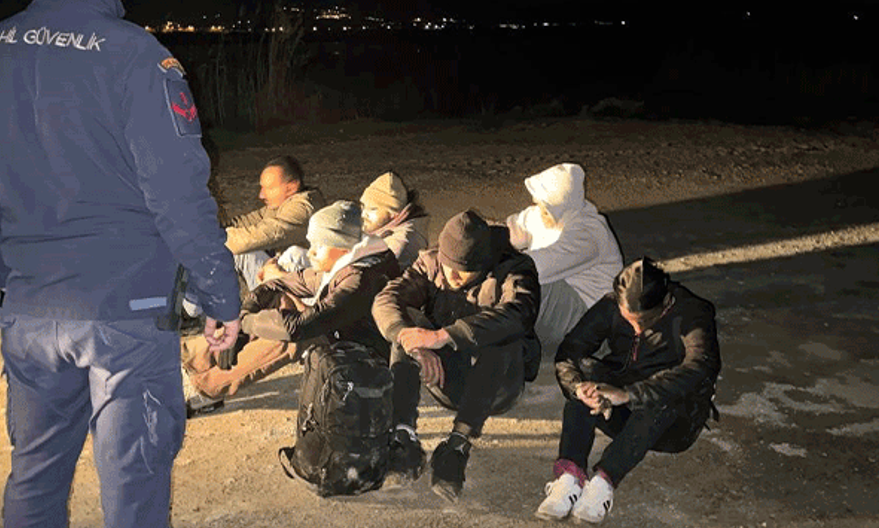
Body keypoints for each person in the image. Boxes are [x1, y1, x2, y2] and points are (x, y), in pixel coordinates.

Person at [0, 0, 241, 528]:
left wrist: (4, 283)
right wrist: (220, 292)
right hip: (124, 314)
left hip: (30, 311)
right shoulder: (137, 57)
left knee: (35, 476)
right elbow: (177, 194)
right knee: (133, 489)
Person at [534, 257, 721, 524]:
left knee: (670, 392)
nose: (636, 329)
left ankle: (603, 483)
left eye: (644, 321)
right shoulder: (611, 305)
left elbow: (701, 367)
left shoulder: (692, 312)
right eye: (628, 320)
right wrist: (578, 389)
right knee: (586, 375)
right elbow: (570, 351)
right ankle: (570, 478)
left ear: (666, 302)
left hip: (671, 425)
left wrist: (629, 394)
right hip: (619, 414)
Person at [372, 209, 540, 501]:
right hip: (444, 376)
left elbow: (519, 313)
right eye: (448, 266)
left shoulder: (515, 269)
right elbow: (387, 299)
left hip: (497, 386)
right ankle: (404, 436)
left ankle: (458, 444)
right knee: (406, 328)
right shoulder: (431, 263)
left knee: (502, 335)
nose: (452, 276)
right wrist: (415, 344)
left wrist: (443, 336)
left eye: (463, 271)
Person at [182, 200, 399, 410]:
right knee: (279, 297)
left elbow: (299, 327)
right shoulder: (349, 262)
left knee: (292, 337)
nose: (311, 252)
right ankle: (189, 354)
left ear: (343, 248)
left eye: (320, 245)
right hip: (340, 333)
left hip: (369, 359)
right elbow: (277, 284)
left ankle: (210, 387)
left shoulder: (359, 280)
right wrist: (243, 318)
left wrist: (246, 323)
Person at [506, 163, 624, 352]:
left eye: (545, 208)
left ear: (560, 206)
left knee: (521, 282)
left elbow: (538, 267)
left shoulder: (589, 233)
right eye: (538, 204)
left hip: (589, 320)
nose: (539, 211)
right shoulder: (547, 215)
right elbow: (513, 228)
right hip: (563, 305)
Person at [264, 170, 429, 279]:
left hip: (356, 301)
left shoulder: (401, 243)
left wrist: (283, 278)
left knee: (291, 263)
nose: (364, 214)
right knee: (294, 255)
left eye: (372, 209)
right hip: (349, 281)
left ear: (394, 213)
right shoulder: (390, 228)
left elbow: (357, 280)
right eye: (363, 206)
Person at [223, 156, 323, 291]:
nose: (261, 195)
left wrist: (209, 240)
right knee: (240, 251)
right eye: (262, 188)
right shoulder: (281, 205)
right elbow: (242, 223)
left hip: (304, 293)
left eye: (269, 188)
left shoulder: (303, 209)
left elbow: (260, 236)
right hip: (286, 283)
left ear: (291, 188)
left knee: (243, 250)